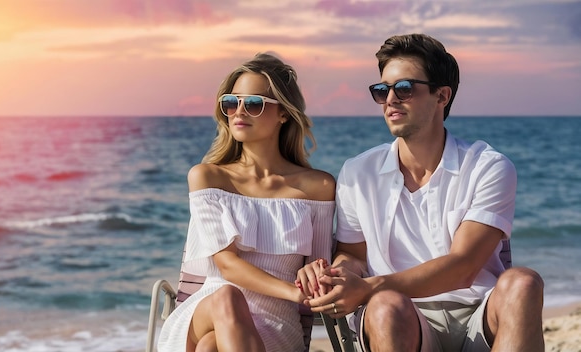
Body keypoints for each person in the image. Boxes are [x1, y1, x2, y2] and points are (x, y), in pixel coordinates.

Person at [299, 34, 545, 351]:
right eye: (381, 90)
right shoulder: (357, 172)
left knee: (523, 283)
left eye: (404, 88)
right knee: (386, 305)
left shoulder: (488, 167)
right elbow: (354, 255)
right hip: (399, 315)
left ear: (441, 96)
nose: (390, 99)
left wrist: (369, 286)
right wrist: (338, 276)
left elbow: (464, 267)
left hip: (479, 316)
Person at [157, 52, 336, 352]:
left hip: (276, 323)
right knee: (228, 297)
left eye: (253, 104)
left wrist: (317, 277)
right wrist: (294, 294)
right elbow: (227, 265)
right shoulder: (207, 177)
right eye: (231, 102)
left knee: (211, 347)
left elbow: (318, 266)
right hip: (208, 308)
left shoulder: (317, 187)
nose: (239, 112)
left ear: (283, 113)